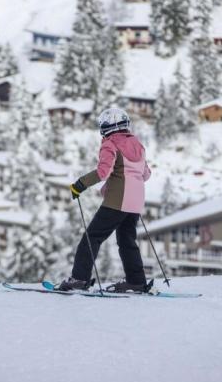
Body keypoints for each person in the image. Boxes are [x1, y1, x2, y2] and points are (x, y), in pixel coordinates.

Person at [56, 107, 152, 293]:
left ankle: (79, 279)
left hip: (117, 201)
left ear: (106, 127)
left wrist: (79, 185)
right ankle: (136, 281)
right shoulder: (137, 144)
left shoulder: (110, 144)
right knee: (127, 240)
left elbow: (102, 172)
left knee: (91, 237)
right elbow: (146, 174)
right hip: (136, 203)